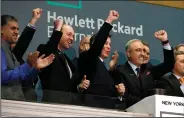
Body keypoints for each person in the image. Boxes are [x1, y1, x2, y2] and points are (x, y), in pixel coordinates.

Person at [113, 30, 174, 108]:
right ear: (128, 53)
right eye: (138, 50)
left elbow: (169, 65)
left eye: (143, 50)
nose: (142, 54)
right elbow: (124, 96)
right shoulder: (120, 70)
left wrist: (165, 42)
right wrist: (147, 104)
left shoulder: (148, 68)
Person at [77, 10, 125, 109]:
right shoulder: (87, 57)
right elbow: (98, 44)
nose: (108, 47)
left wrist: (119, 92)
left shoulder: (105, 67)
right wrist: (109, 20)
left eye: (110, 44)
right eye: (106, 43)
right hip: (92, 109)